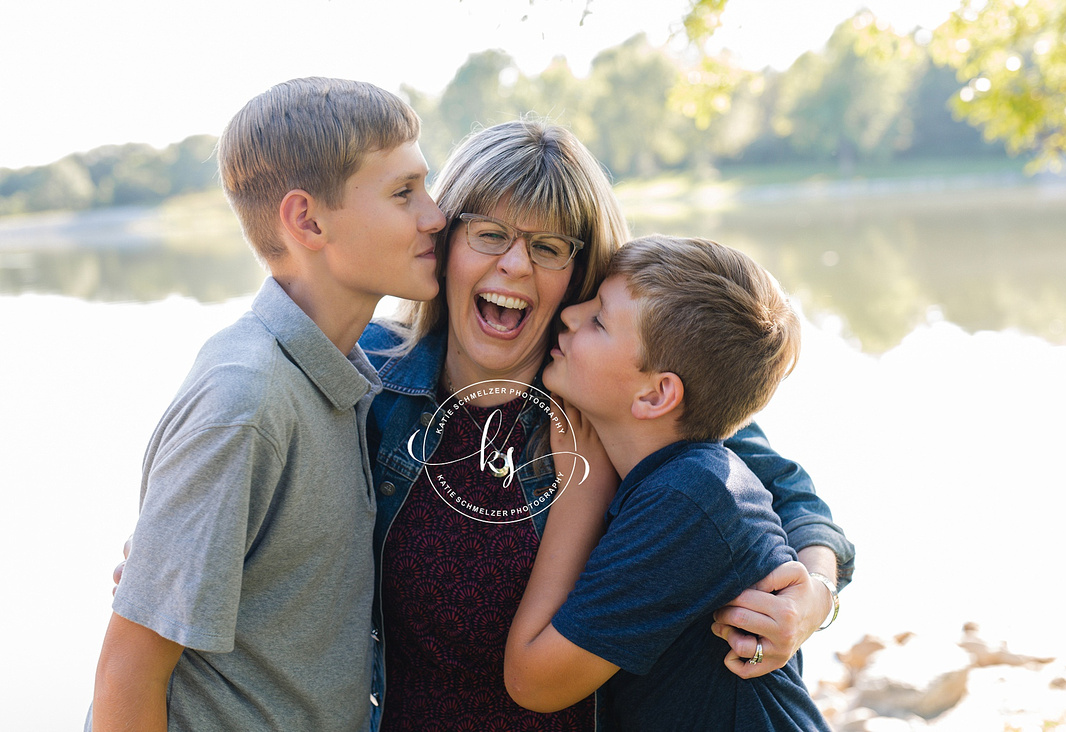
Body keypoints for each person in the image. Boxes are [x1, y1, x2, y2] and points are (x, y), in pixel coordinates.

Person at [358, 120, 853, 730]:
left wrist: (811, 599)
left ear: (579, 270)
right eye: (488, 234)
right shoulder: (370, 375)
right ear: (446, 242)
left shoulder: (615, 397)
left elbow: (787, 498)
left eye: (548, 247)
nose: (514, 264)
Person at [88, 77, 445, 732]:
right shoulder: (245, 401)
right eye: (404, 193)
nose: (436, 215)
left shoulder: (340, 376)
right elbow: (127, 674)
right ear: (307, 221)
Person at [505, 235, 831, 730]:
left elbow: (533, 679)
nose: (570, 315)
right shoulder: (689, 475)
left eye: (597, 320)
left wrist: (578, 494)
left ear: (657, 394)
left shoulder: (688, 499)